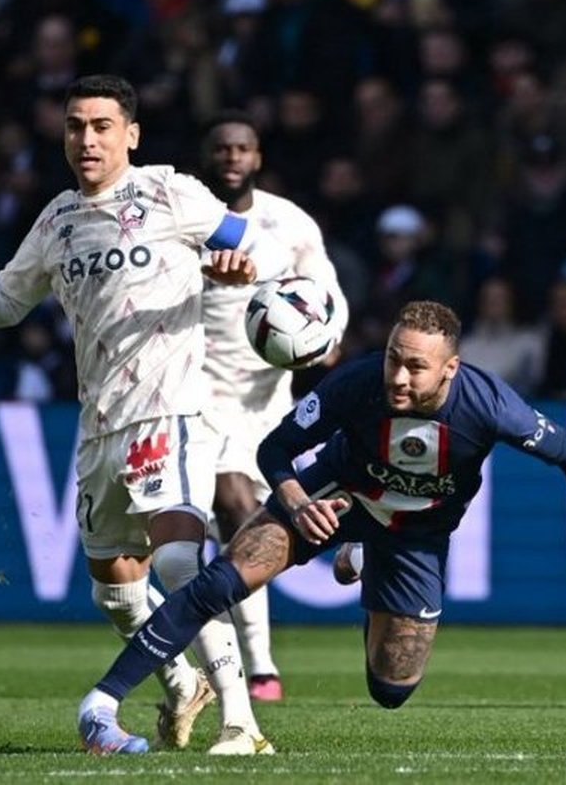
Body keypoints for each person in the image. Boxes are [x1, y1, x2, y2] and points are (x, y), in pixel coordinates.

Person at [75, 300, 566, 753]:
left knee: (391, 689)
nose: (398, 376)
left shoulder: (489, 405)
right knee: (218, 582)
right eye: (395, 358)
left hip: (417, 534)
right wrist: (297, 501)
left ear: (450, 369)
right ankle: (102, 704)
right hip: (336, 495)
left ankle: (366, 555)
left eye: (416, 367)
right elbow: (275, 450)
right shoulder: (357, 383)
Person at [0, 74, 277, 755]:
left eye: (102, 126)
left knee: (180, 560)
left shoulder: (170, 191)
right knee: (117, 593)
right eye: (75, 125)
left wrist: (237, 269)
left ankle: (241, 722)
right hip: (101, 422)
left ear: (131, 134)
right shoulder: (57, 219)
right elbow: (5, 303)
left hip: (172, 409)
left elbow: (250, 243)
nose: (87, 139)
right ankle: (182, 682)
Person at [198, 110, 349, 702]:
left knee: (248, 527)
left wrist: (327, 338)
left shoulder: (289, 223)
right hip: (197, 392)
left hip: (266, 397)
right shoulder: (184, 220)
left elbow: (327, 293)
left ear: (257, 157)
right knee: (234, 507)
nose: (232, 157)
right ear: (207, 157)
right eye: (222, 148)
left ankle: (238, 659)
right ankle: (257, 666)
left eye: (243, 148)